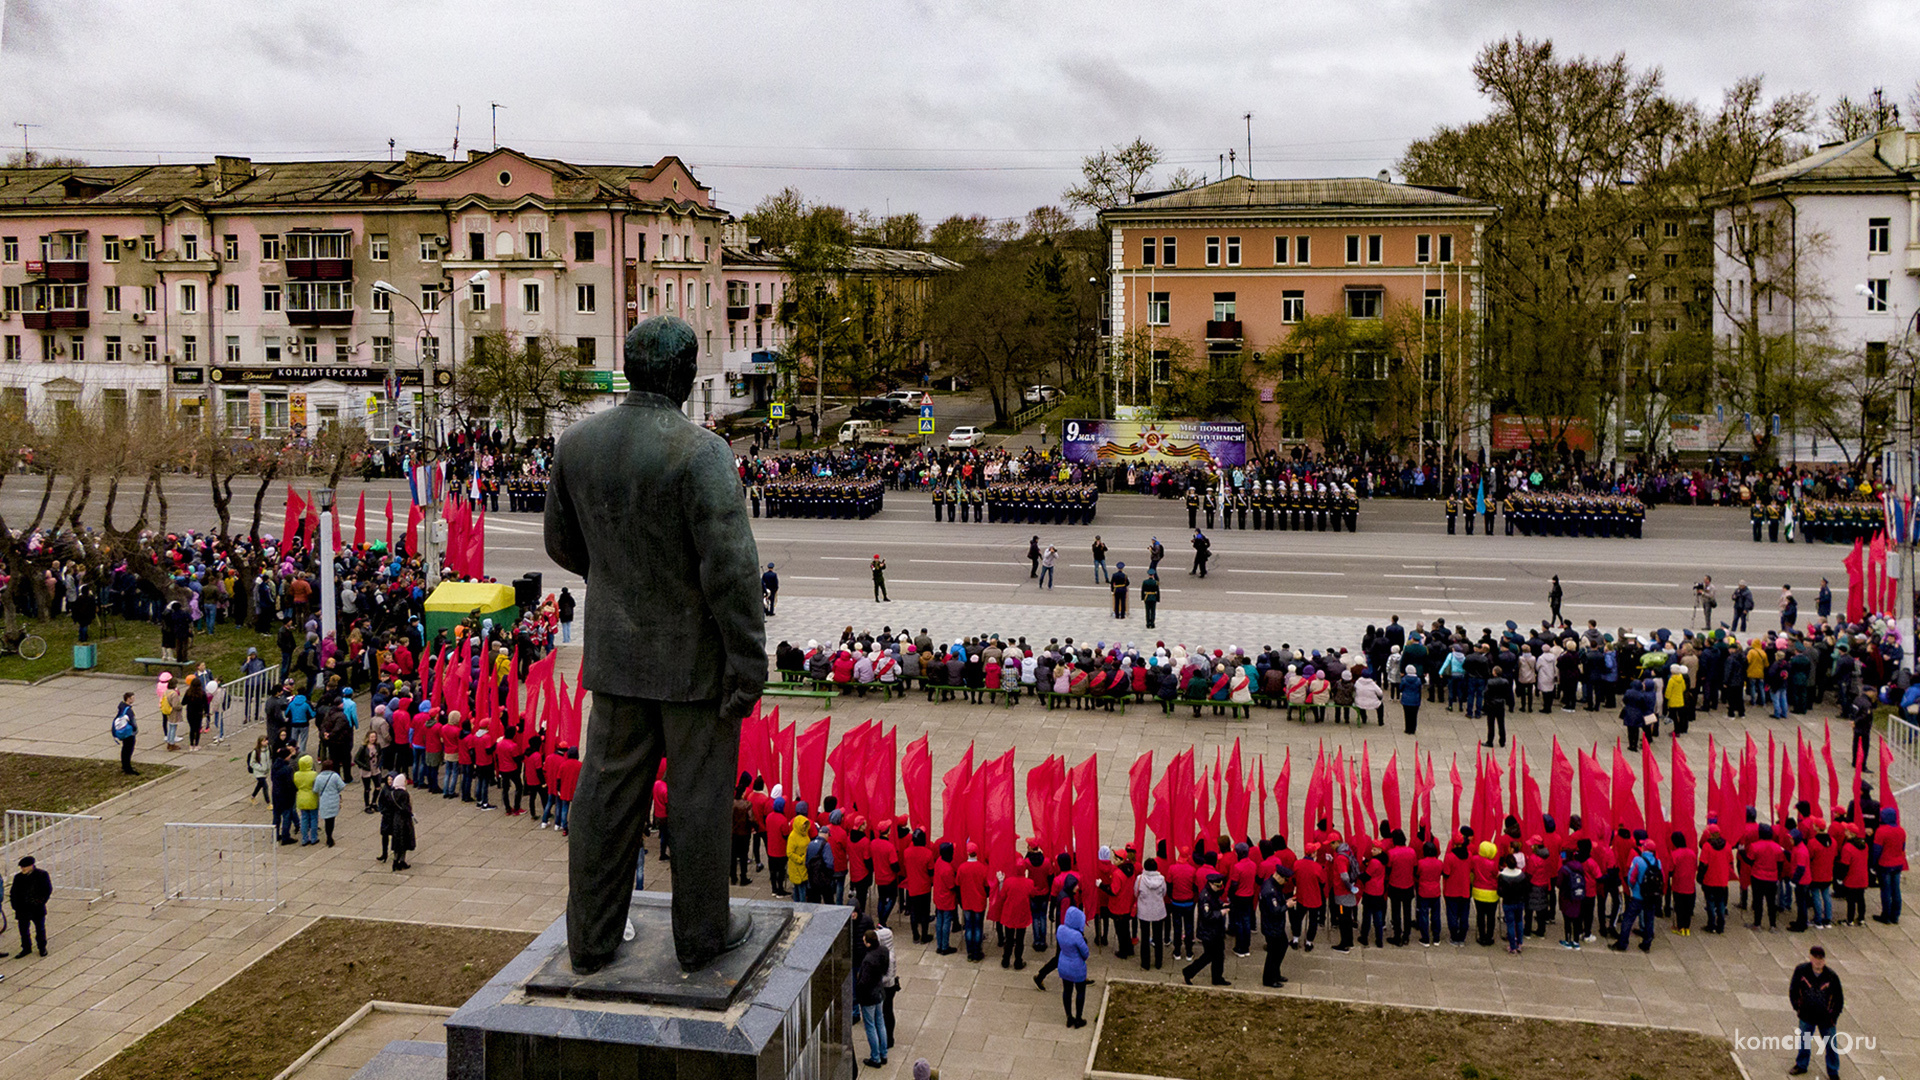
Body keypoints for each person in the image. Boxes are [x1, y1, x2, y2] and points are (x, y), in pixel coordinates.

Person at [545, 315, 768, 976]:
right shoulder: (699, 452)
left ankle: (589, 939)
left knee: (605, 802)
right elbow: (731, 571)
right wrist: (748, 663)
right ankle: (701, 937)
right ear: (684, 374)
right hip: (694, 670)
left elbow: (561, 544)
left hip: (615, 658)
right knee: (699, 804)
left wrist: (616, 581)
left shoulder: (576, 443)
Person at [1788, 945, 1844, 1080]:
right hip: (1806, 1015)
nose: (1819, 961)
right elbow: (1793, 990)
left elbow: (1839, 999)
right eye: (1816, 958)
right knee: (1804, 1041)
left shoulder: (1831, 976)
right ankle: (1801, 1064)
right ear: (1810, 958)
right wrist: (1798, 1007)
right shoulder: (1801, 971)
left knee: (1831, 1044)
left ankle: (1833, 1071)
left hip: (1826, 1018)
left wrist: (1833, 1016)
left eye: (1821, 959)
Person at [1181, 874, 1230, 985]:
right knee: (1209, 956)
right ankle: (1189, 972)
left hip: (1215, 931)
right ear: (1211, 884)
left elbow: (1216, 903)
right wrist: (1220, 912)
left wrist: (1223, 905)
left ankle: (1217, 978)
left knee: (1218, 956)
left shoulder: (1212, 893)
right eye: (1217, 886)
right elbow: (1207, 915)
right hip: (1209, 932)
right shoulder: (1205, 897)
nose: (1219, 888)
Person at [855, 928, 890, 1067]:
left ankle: (875, 1058)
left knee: (870, 1026)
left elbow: (864, 982)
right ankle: (884, 1053)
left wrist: (858, 994)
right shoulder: (884, 950)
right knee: (880, 1022)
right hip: (879, 992)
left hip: (869, 997)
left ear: (868, 943)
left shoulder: (868, 960)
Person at [1055, 906, 1091, 1027]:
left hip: (1063, 965)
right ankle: (1079, 1018)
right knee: (1080, 991)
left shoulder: (1060, 929)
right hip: (1077, 968)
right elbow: (1085, 953)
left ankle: (1069, 1017)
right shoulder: (1077, 936)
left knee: (1067, 991)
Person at [10, 856, 51, 957]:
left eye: (25, 867)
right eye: (22, 867)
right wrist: (15, 906)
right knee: (23, 930)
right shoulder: (18, 877)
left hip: (36, 908)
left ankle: (42, 947)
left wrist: (40, 902)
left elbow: (47, 890)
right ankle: (26, 948)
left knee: (40, 928)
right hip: (22, 908)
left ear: (31, 866)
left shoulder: (42, 875)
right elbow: (13, 893)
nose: (23, 869)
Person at [384, 775, 416, 871]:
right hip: (404, 820)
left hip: (395, 819)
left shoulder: (391, 793)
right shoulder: (404, 794)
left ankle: (395, 860)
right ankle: (401, 861)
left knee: (397, 840)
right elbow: (406, 808)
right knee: (404, 841)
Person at [314, 758, 345, 847]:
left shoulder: (319, 777)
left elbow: (315, 789)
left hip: (324, 800)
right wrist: (336, 790)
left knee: (327, 820)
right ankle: (330, 836)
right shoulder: (334, 776)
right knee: (332, 820)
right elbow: (342, 786)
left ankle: (328, 836)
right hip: (334, 799)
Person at [111, 692, 139, 775]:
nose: (134, 699)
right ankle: (128, 768)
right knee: (128, 749)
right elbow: (132, 721)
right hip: (128, 732)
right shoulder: (128, 710)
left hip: (122, 731)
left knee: (124, 749)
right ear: (129, 699)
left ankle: (124, 765)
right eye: (133, 698)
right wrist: (135, 729)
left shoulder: (121, 707)